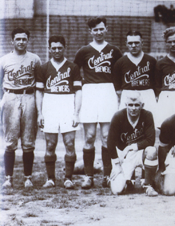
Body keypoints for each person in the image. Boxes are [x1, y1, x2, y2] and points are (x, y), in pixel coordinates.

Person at [74, 17, 123, 189]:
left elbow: (120, 71)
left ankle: (107, 175)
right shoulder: (84, 51)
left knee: (106, 137)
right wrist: (80, 84)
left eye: (101, 29)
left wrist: (118, 91)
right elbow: (74, 71)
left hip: (108, 91)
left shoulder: (114, 50)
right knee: (89, 136)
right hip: (90, 92)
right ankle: (88, 176)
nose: (99, 32)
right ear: (91, 32)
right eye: (95, 30)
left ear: (106, 29)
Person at [35, 35, 82, 189]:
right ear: (49, 49)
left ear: (64, 48)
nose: (56, 51)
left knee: (69, 143)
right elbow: (39, 92)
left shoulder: (73, 67)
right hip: (50, 106)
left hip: (67, 105)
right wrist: (40, 113)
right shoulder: (43, 68)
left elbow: (78, 92)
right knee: (50, 144)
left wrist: (76, 113)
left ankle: (68, 178)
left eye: (59, 48)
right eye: (53, 48)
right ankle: (51, 179)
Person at [0, 27, 41, 188]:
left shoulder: (35, 59)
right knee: (10, 140)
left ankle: (28, 177)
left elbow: (39, 83)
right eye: (18, 39)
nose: (21, 42)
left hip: (29, 96)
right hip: (10, 96)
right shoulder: (4, 60)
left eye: (24, 39)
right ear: (12, 41)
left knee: (28, 140)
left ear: (28, 41)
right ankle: (8, 178)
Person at [107, 92, 158, 196]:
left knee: (152, 151)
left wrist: (131, 147)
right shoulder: (118, 116)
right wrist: (116, 165)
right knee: (117, 190)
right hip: (124, 155)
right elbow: (110, 142)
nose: (133, 108)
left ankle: (147, 185)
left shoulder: (147, 115)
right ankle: (124, 181)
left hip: (139, 152)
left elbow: (150, 140)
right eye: (130, 105)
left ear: (142, 105)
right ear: (126, 105)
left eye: (136, 105)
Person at [113, 30, 157, 114]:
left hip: (147, 94)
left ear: (142, 43)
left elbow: (156, 83)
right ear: (126, 44)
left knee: (151, 121)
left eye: (136, 43)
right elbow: (117, 87)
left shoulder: (151, 61)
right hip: (128, 94)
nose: (133, 46)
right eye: (130, 43)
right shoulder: (120, 62)